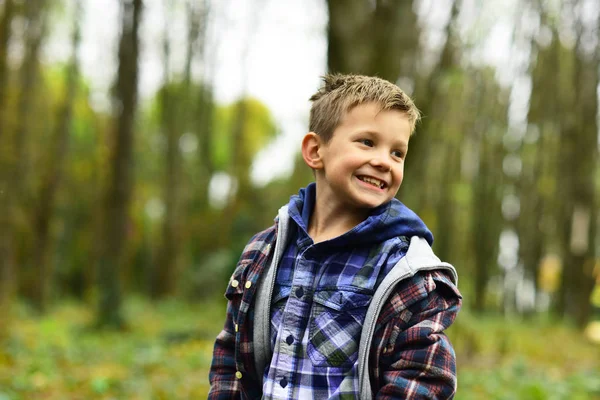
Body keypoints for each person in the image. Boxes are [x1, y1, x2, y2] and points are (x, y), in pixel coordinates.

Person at [208, 74, 462, 399]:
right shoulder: (264, 250)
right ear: (316, 151)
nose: (384, 161)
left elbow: (424, 379)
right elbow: (232, 354)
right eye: (368, 142)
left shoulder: (404, 270)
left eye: (397, 153)